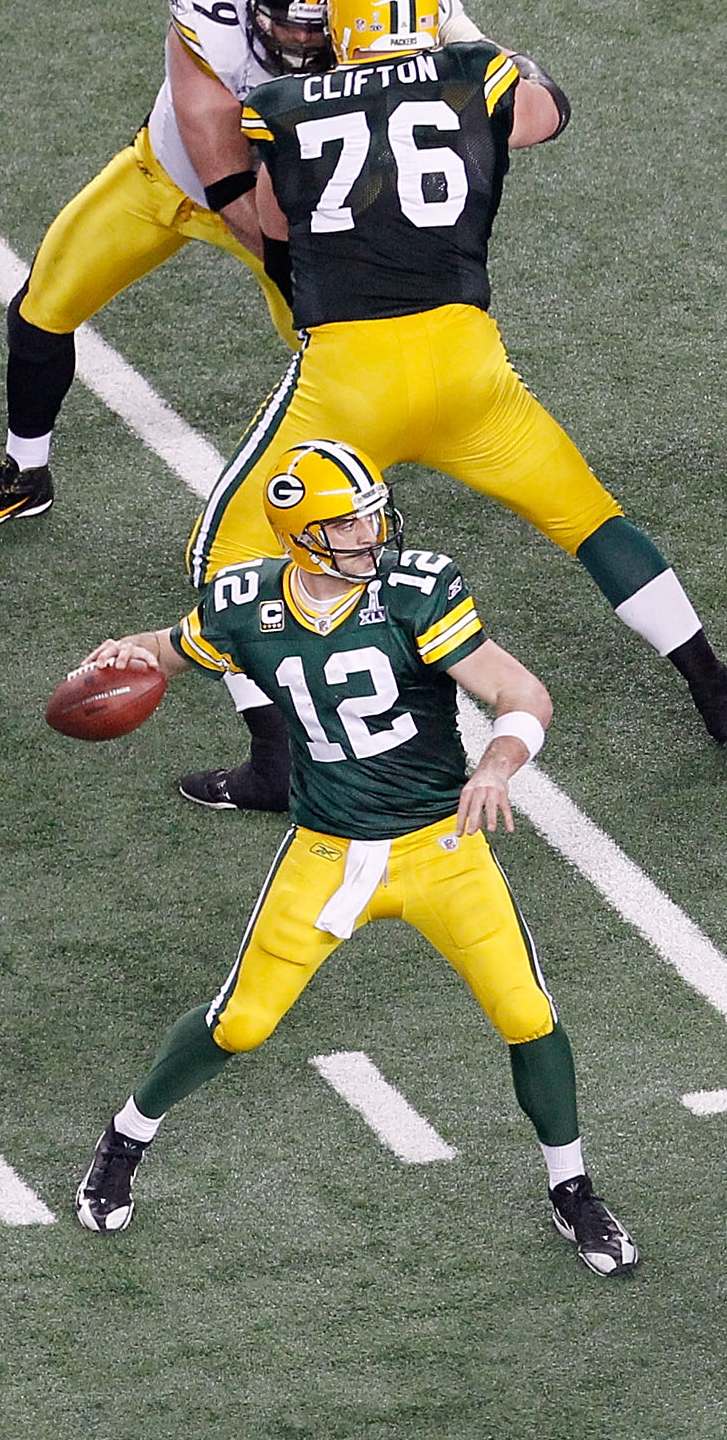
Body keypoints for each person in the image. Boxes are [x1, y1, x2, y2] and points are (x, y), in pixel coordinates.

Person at [196, 0, 727, 811]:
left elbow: (276, 223)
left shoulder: (282, 103)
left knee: (223, 553)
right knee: (588, 516)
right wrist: (474, 39)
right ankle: (716, 685)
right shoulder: (472, 71)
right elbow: (550, 108)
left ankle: (276, 760)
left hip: (350, 380)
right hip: (469, 367)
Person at [67, 437, 636, 1276]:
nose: (374, 533)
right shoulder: (244, 604)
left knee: (527, 1014)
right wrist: (125, 650)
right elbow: (168, 645)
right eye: (351, 523)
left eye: (373, 514)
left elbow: (523, 694)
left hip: (440, 845)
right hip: (327, 849)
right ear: (301, 536)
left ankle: (573, 1186)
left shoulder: (414, 593)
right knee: (241, 1022)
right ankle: (125, 1138)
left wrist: (496, 764)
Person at [0, 0, 416, 536]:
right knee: (41, 308)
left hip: (295, 208)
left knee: (340, 350)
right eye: (284, 22)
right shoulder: (207, 10)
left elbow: (448, 28)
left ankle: (352, 492)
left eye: (312, 27)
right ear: (251, 3)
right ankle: (26, 474)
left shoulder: (379, 16)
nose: (297, 40)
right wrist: (287, 266)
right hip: (173, 179)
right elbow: (222, 175)